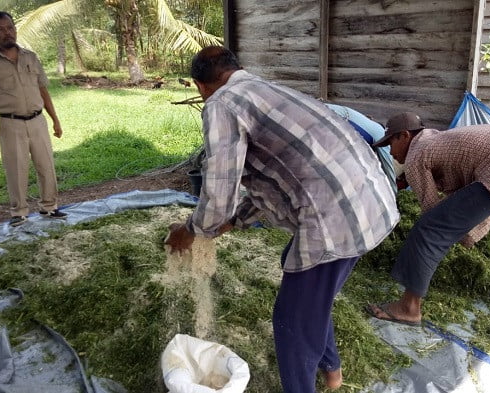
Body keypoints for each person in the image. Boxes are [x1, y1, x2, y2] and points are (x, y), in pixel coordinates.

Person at [164, 46, 399, 392]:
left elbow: (218, 192)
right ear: (237, 68)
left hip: (334, 220)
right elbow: (274, 181)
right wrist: (231, 223)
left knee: (292, 320)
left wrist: (191, 232)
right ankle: (332, 372)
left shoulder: (222, 104)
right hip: (370, 203)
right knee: (310, 295)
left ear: (200, 87)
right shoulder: (267, 89)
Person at [366, 112, 490, 325]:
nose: (391, 153)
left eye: (390, 144)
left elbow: (432, 210)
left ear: (405, 136)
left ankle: (408, 307)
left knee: (429, 230)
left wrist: (455, 231)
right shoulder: (438, 138)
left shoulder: (417, 153)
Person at [0, 11, 67, 227]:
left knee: (46, 165)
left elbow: (43, 90)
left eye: (10, 28)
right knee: (16, 168)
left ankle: (49, 207)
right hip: (10, 123)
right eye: (1, 29)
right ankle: (19, 213)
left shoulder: (30, 57)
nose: (7, 33)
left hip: (37, 120)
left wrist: (55, 119)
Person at [325, 103, 398, 193]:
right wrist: (394, 195)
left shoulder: (365, 126)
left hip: (323, 109)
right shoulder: (381, 134)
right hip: (331, 116)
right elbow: (388, 168)